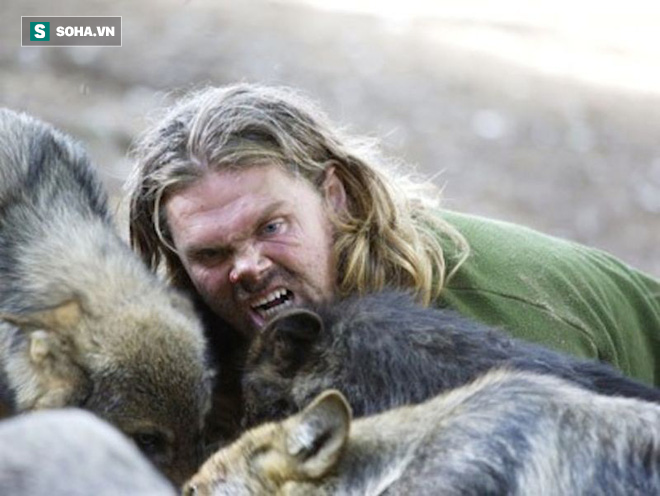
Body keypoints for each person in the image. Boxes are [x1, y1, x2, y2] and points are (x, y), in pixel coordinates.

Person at [127, 83, 660, 388]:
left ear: (334, 197)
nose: (247, 267)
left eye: (272, 227)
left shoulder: (490, 321)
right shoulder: (202, 338)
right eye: (212, 253)